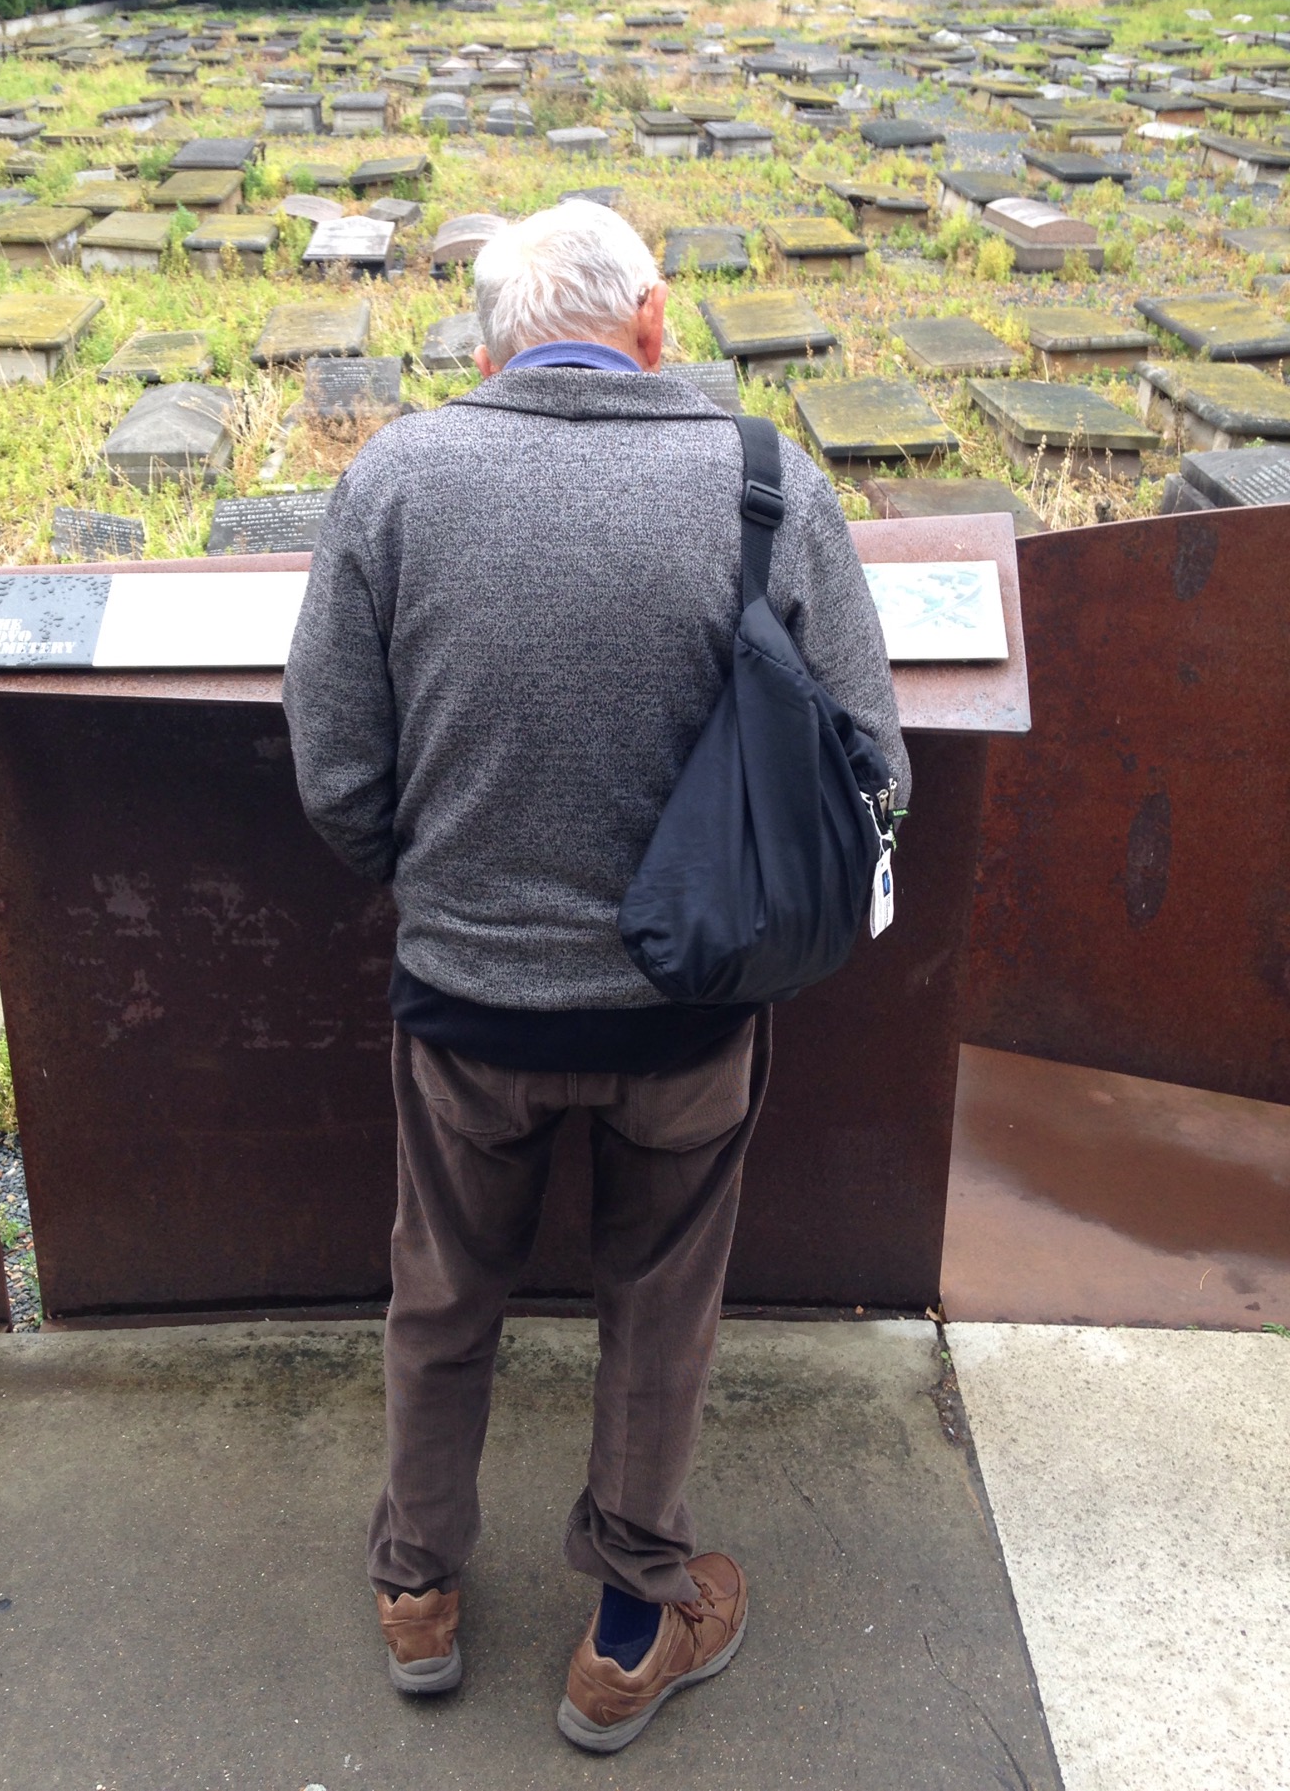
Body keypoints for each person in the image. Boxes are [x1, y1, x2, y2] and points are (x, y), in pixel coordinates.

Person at [282, 202, 909, 1753]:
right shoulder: (769, 484)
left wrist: (451, 897)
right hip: (690, 1019)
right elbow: (873, 769)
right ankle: (631, 1627)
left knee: (440, 1294)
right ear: (653, 321)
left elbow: (337, 773)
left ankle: (418, 1590)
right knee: (659, 1312)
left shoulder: (398, 480)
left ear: (492, 344)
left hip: (465, 1013)